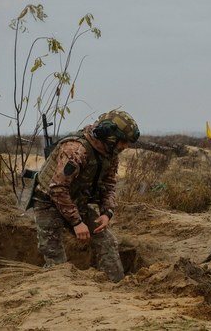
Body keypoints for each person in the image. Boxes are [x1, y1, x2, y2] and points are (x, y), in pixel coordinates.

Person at [30, 109, 140, 282]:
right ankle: (60, 294)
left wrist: (106, 212)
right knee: (54, 255)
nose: (125, 146)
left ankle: (117, 287)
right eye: (123, 141)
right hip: (48, 202)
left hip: (76, 201)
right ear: (110, 135)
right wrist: (77, 222)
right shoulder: (76, 150)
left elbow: (109, 184)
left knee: (107, 241)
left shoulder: (109, 153)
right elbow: (57, 188)